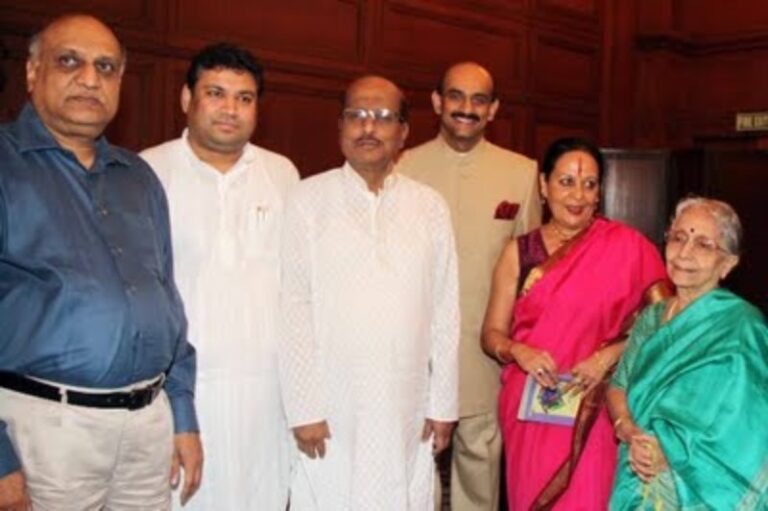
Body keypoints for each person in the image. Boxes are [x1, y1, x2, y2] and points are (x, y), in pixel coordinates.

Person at [0, 14, 201, 510]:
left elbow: (165, 302)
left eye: (106, 67)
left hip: (145, 430)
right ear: (32, 72)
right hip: (46, 431)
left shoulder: (138, 177)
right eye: (70, 61)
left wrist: (181, 412)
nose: (90, 79)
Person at [279, 75, 459, 510]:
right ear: (340, 126)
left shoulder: (429, 206)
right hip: (332, 408)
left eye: (382, 117)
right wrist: (304, 407)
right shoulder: (307, 200)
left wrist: (444, 404)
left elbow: (445, 309)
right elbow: (293, 306)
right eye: (356, 115)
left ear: (403, 132)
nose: (368, 127)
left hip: (407, 402)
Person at [141, 43, 299, 510]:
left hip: (266, 394)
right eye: (216, 93)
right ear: (187, 99)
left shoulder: (282, 174)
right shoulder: (147, 171)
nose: (231, 109)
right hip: (183, 394)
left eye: (245, 98)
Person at [482, 137, 670, 510]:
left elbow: (665, 323)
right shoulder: (519, 253)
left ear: (600, 191)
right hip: (532, 404)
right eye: (566, 181)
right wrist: (519, 350)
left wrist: (609, 357)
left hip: (596, 404)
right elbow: (490, 335)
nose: (578, 195)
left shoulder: (629, 248)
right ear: (543, 184)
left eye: (590, 184)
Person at [397, 62, 540, 511]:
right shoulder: (403, 167)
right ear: (438, 102)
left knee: (479, 483)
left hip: (485, 361)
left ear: (493, 109)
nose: (466, 108)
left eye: (479, 100)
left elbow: (534, 276)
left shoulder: (521, 173)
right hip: (411, 358)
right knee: (410, 476)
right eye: (456, 96)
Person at [608, 197, 768, 510]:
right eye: (679, 238)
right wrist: (627, 430)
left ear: (728, 263)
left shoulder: (743, 328)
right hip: (637, 471)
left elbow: (749, 424)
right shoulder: (651, 319)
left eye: (703, 244)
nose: (684, 253)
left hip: (706, 487)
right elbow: (618, 386)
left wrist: (670, 450)